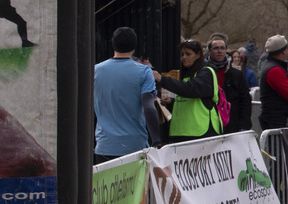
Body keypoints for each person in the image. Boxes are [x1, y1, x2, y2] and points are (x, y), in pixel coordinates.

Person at [94, 27, 160, 164]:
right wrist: (156, 140)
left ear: (113, 44)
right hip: (134, 146)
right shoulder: (144, 72)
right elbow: (149, 106)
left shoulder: (96, 70)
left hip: (105, 146)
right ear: (134, 46)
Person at [154, 39, 223, 144]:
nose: (184, 57)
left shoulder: (206, 72)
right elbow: (189, 99)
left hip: (201, 132)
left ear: (198, 54)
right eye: (182, 54)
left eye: (188, 54)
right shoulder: (187, 75)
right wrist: (172, 102)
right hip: (182, 132)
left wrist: (162, 79)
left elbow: (190, 89)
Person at [207, 33, 252, 133]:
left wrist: (244, 125)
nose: (219, 51)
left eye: (222, 48)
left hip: (232, 124)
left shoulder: (236, 75)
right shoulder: (204, 72)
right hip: (210, 124)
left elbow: (245, 100)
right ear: (210, 51)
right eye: (216, 48)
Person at [259, 34, 288, 130]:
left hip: (278, 120)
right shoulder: (274, 70)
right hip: (277, 122)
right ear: (283, 52)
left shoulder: (274, 66)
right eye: (287, 48)